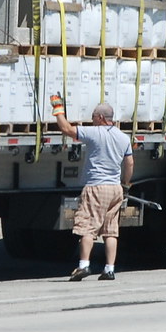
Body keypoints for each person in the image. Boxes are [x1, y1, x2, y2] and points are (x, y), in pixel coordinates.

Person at [52, 97, 133, 281]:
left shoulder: (95, 133)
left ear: (101, 118)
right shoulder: (123, 137)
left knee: (87, 228)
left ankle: (83, 266)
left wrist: (58, 108)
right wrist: (125, 183)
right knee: (110, 231)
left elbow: (66, 129)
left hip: (96, 187)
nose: (92, 119)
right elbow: (129, 163)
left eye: (94, 116)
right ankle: (109, 269)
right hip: (115, 188)